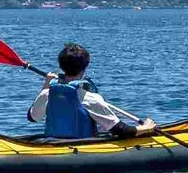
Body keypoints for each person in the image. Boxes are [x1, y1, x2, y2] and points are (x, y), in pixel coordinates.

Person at [25, 42, 154, 141]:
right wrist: (146, 127)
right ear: (85, 68)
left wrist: (46, 84)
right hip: (81, 146)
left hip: (54, 143)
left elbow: (32, 117)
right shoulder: (91, 98)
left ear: (61, 66)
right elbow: (121, 130)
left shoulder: (47, 94)